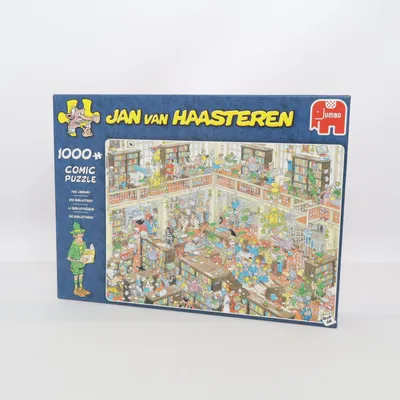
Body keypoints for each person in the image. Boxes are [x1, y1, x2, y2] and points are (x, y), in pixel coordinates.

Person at [67, 222, 90, 297]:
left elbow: (86, 252)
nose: (82, 234)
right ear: (75, 235)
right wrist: (78, 260)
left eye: (81, 232)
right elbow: (69, 257)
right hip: (76, 264)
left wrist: (88, 257)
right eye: (80, 233)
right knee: (76, 275)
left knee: (81, 275)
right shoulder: (74, 245)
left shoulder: (83, 243)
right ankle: (76, 289)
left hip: (82, 263)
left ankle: (81, 288)